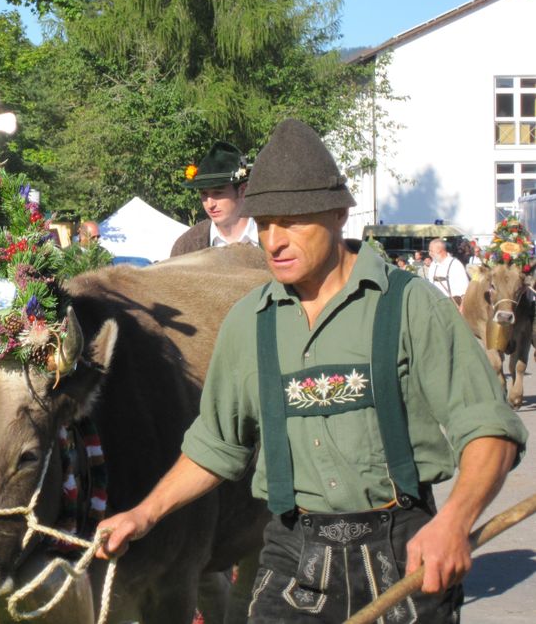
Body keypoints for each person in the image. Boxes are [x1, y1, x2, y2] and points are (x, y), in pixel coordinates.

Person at [96, 118, 527, 623]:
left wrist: (455, 521)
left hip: (404, 553)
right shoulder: (249, 323)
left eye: (292, 221)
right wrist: (143, 513)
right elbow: (216, 445)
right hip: (293, 556)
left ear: (340, 214)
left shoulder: (409, 306)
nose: (273, 241)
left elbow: (490, 429)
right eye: (263, 224)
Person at [170, 141, 258, 257]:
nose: (210, 204)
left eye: (218, 193)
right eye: (204, 194)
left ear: (242, 190)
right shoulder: (186, 247)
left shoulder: (272, 237)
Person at [428, 238, 469, 306]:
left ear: (439, 250)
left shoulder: (455, 265)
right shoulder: (433, 265)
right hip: (436, 305)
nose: (429, 254)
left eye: (431, 251)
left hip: (452, 305)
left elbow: (465, 290)